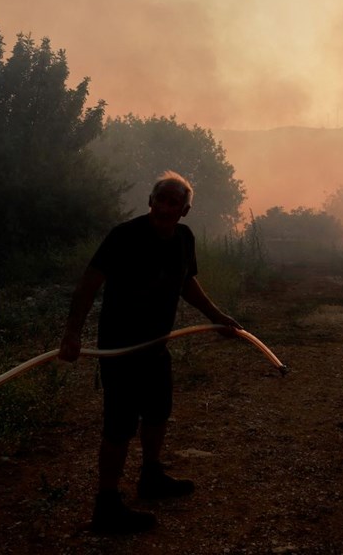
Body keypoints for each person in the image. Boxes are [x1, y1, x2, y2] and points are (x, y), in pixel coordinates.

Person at [58, 171, 242, 534]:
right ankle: (106, 507)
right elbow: (87, 286)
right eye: (160, 198)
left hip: (156, 347)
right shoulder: (123, 236)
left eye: (174, 202)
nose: (165, 206)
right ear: (150, 201)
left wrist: (218, 317)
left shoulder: (183, 239)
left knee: (158, 414)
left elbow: (186, 283)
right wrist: (72, 334)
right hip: (121, 350)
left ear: (184, 211)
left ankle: (151, 477)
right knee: (119, 427)